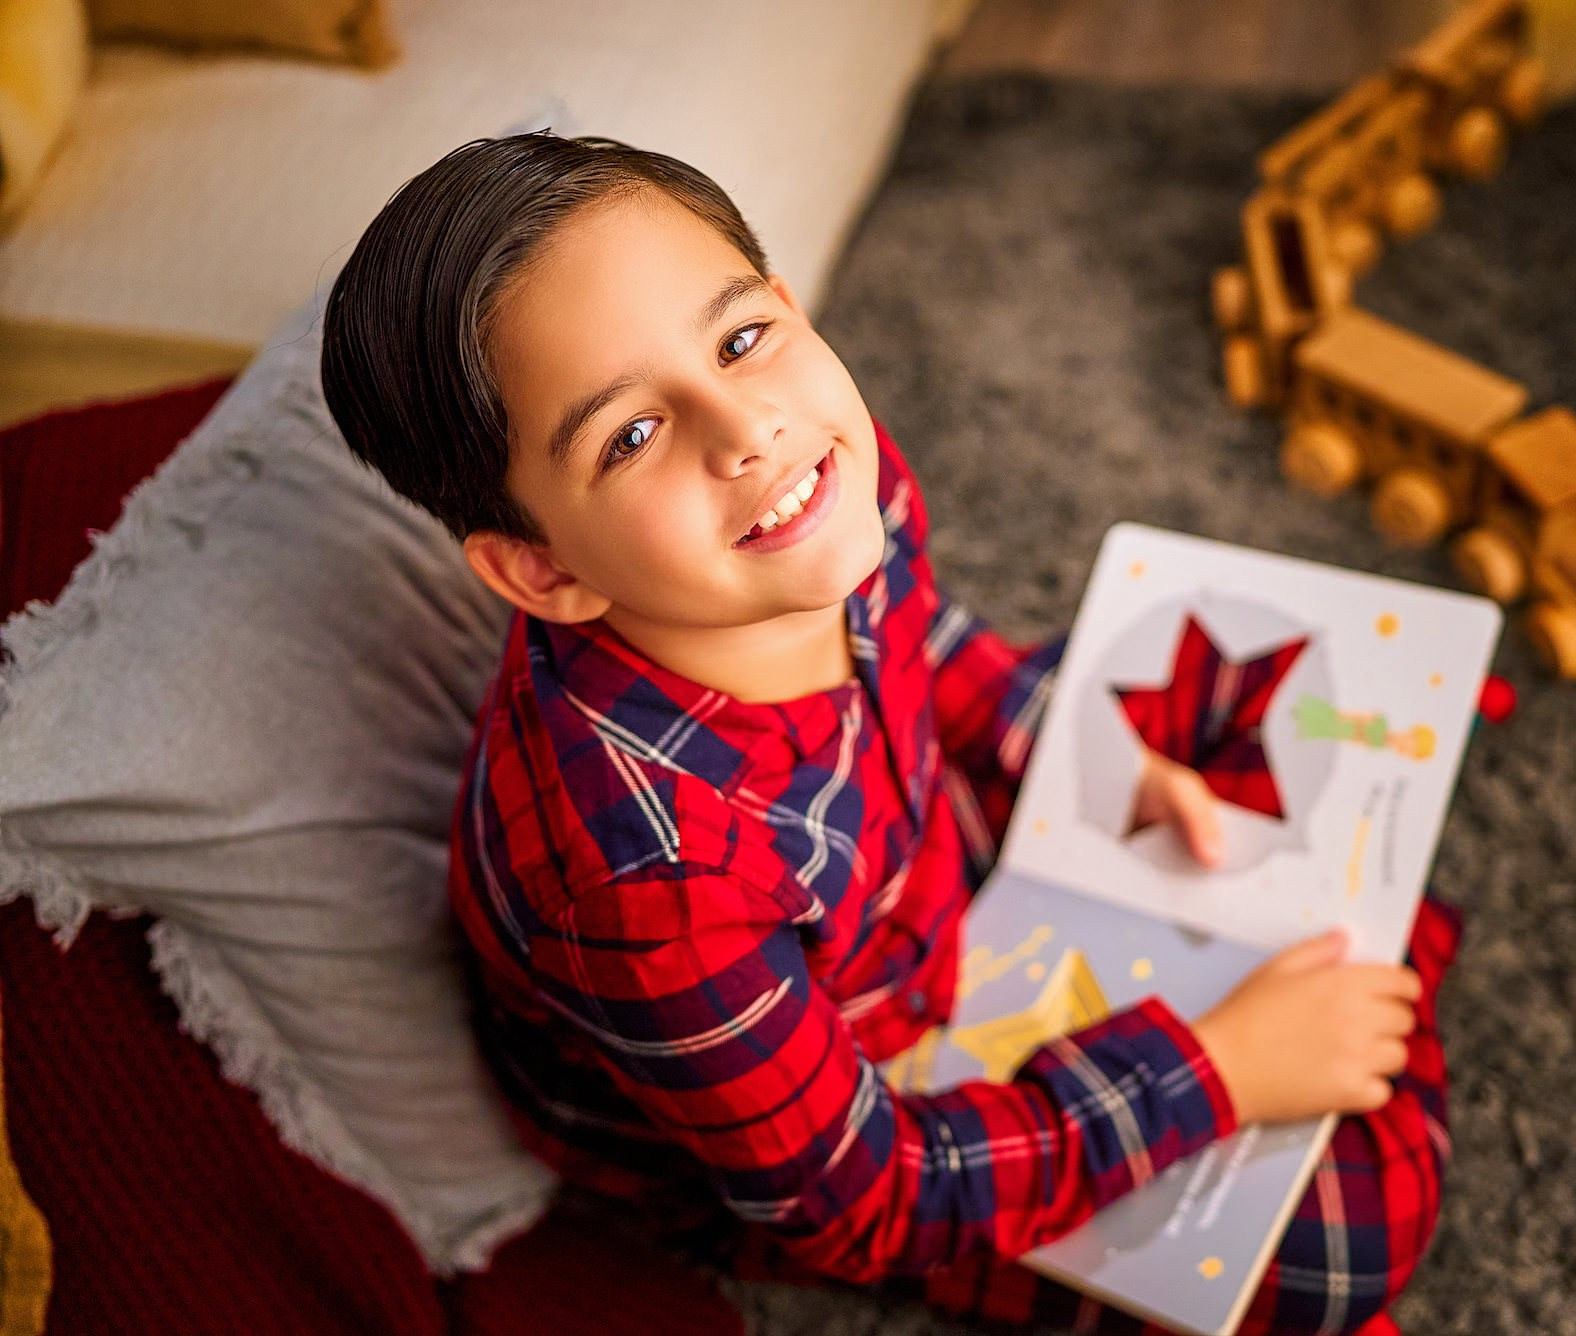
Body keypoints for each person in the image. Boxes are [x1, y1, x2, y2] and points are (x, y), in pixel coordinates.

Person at [318, 131, 1461, 1336]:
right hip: (826, 1093)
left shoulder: (816, 490)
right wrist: (1215, 1072)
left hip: (913, 858)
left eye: (740, 340)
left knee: (1273, 741)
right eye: (632, 436)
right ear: (542, 571)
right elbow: (860, 1199)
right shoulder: (643, 882)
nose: (744, 429)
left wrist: (1081, 762)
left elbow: (929, 638)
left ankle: (1312, 1014)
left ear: (788, 310)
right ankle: (1301, 1057)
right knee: (1346, 1237)